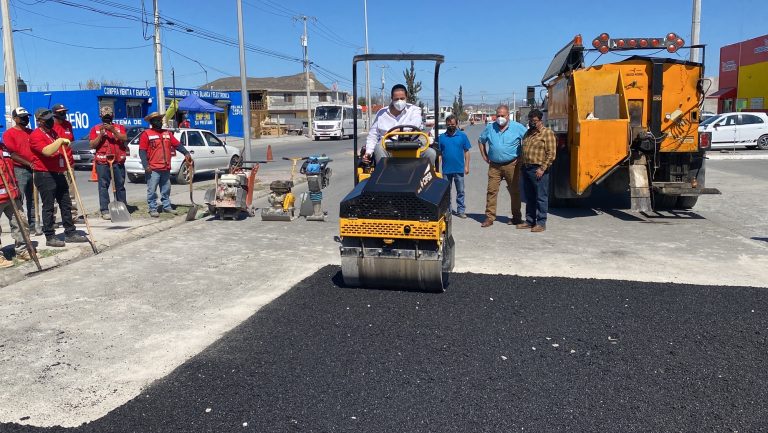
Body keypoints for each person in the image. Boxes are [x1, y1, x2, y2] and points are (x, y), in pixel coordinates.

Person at [28, 108, 88, 247]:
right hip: (44, 174)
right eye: (47, 119)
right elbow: (47, 151)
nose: (50, 121)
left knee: (66, 203)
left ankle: (70, 232)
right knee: (48, 206)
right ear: (40, 121)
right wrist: (59, 141)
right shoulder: (36, 135)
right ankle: (50, 236)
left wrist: (62, 143)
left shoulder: (52, 133)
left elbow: (60, 149)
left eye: (51, 118)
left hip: (58, 172)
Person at [477, 104, 526, 228]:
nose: (500, 118)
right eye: (498, 115)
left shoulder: (517, 127)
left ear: (508, 115)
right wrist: (484, 155)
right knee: (491, 191)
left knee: (514, 191)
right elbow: (481, 141)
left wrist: (522, 157)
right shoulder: (490, 127)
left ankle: (516, 217)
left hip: (512, 165)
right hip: (494, 166)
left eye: (502, 115)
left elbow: (527, 140)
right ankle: (489, 217)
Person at [363, 84, 436, 166]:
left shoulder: (414, 110)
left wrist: (396, 131)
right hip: (388, 148)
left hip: (411, 147)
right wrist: (368, 152)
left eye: (402, 98)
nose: (399, 101)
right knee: (378, 148)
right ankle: (384, 176)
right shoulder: (381, 113)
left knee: (431, 153)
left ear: (406, 97)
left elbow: (416, 123)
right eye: (396, 99)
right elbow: (373, 135)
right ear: (392, 98)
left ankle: (422, 177)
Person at [138, 112, 193, 218]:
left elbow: (177, 145)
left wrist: (186, 153)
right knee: (152, 190)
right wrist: (146, 165)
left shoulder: (167, 133)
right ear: (151, 122)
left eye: (160, 120)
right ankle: (152, 208)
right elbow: (142, 151)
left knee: (166, 189)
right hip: (153, 168)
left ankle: (166, 206)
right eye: (156, 120)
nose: (159, 122)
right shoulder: (146, 134)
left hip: (165, 167)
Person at [1, 107, 41, 236]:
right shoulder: (9, 134)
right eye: (22, 117)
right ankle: (23, 228)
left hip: (33, 169)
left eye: (27, 116)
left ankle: (34, 224)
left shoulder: (32, 132)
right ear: (15, 119)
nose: (25, 119)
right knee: (20, 199)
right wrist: (28, 163)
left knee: (34, 199)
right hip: (19, 169)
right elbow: (12, 154)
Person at [518, 109, 556, 233]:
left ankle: (541, 223)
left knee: (541, 197)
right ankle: (529, 221)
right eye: (530, 120)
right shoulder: (528, 133)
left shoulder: (547, 133)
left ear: (540, 120)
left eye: (534, 121)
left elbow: (551, 154)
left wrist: (542, 168)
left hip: (539, 170)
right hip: (527, 168)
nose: (532, 123)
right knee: (530, 197)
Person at [89, 106, 128, 220]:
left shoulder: (119, 127)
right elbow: (92, 145)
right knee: (103, 186)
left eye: (109, 116)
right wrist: (101, 135)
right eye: (104, 116)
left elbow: (124, 138)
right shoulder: (95, 129)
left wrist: (113, 130)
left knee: (120, 185)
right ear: (100, 116)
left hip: (117, 160)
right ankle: (105, 209)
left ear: (112, 116)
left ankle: (122, 207)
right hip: (102, 161)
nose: (107, 118)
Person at [0, 149, 32, 267]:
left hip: (11, 194)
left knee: (21, 223)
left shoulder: (4, 150)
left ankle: (22, 251)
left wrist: (16, 187)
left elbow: (11, 172)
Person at [438, 114, 471, 218]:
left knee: (460, 191)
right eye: (448, 124)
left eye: (452, 124)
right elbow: (439, 154)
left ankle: (461, 210)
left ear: (456, 124)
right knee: (446, 192)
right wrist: (436, 169)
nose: (450, 126)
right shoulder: (441, 138)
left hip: (459, 169)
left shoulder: (462, 136)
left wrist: (466, 166)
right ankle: (447, 210)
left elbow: (466, 152)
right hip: (446, 170)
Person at [52, 103, 79, 221]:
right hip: (55, 164)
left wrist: (71, 162)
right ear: (55, 114)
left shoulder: (68, 125)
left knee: (71, 191)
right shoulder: (51, 126)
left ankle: (72, 216)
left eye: (64, 112)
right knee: (54, 193)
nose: (64, 114)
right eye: (61, 112)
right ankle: (52, 218)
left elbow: (71, 142)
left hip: (69, 163)